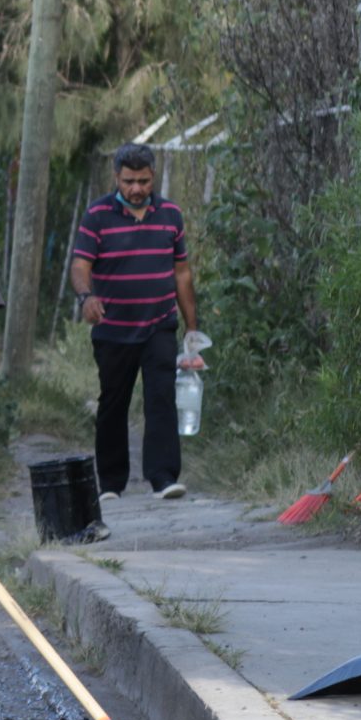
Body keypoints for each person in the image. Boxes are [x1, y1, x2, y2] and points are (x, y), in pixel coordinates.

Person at [69, 144, 206, 503]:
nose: (136, 189)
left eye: (143, 181)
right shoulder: (97, 215)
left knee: (161, 398)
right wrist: (87, 298)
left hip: (160, 325)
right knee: (113, 402)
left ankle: (163, 477)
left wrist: (192, 327)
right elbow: (81, 266)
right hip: (113, 330)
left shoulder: (171, 215)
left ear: (153, 177)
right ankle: (111, 483)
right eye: (129, 181)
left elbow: (182, 274)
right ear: (116, 177)